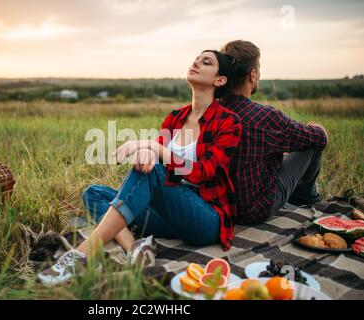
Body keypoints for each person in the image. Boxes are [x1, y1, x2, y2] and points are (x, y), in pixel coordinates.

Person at [38, 49, 242, 287]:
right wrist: (149, 151)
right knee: (93, 193)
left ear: (220, 80)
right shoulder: (175, 117)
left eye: (205, 62)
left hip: (205, 218)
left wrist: (149, 146)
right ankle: (135, 248)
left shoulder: (228, 121)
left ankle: (81, 255)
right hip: (168, 215)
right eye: (196, 59)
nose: (196, 63)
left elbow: (204, 172)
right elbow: (157, 158)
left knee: (153, 171)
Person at [219, 40, 328, 225]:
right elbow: (320, 139)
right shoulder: (266, 117)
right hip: (254, 211)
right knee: (311, 143)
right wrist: (318, 128)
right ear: (252, 75)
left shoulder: (210, 111)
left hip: (219, 210)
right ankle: (306, 203)